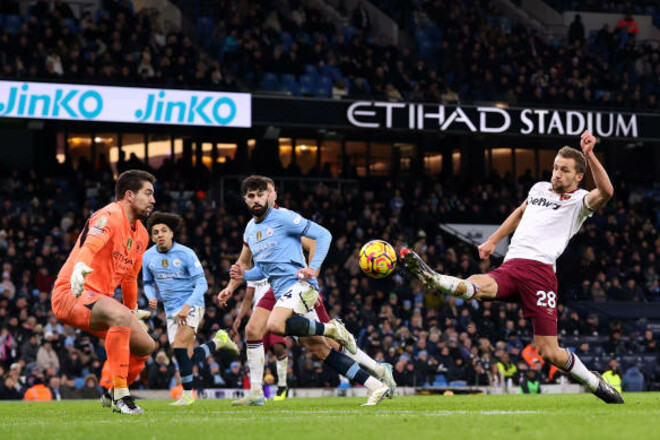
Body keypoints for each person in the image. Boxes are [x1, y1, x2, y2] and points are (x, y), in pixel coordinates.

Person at [401, 131, 623, 404]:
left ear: (579, 176)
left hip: (540, 273)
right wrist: (493, 240)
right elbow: (520, 211)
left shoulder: (580, 202)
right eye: (555, 167)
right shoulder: (539, 188)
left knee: (549, 352)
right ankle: (434, 280)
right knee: (476, 285)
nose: (557, 174)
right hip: (512, 265)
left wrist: (589, 155)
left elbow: (608, 192)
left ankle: (594, 382)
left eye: (564, 170)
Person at [219, 175, 391, 406]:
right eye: (251, 196)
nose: (257, 199)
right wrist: (243, 276)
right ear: (245, 200)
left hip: (300, 286)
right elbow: (261, 271)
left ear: (269, 195)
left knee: (274, 325)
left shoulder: (284, 217)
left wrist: (313, 268)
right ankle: (376, 385)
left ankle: (331, 330)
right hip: (282, 293)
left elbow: (323, 235)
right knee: (319, 349)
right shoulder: (250, 230)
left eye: (261, 194)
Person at [50, 170, 158, 414]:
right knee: (119, 316)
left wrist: (132, 310)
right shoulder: (109, 215)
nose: (153, 200)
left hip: (99, 302)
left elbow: (130, 277)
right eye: (148, 193)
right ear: (129, 195)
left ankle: (110, 394)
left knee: (146, 346)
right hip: (71, 293)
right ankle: (122, 396)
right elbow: (91, 245)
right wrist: (80, 266)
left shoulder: (141, 233)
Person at [143, 211, 239, 406]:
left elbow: (202, 284)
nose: (160, 235)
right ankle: (218, 341)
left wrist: (187, 306)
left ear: (171, 233)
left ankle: (188, 395)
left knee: (179, 347)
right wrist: (151, 296)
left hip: (192, 305)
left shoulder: (186, 253)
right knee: (185, 356)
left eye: (164, 231)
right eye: (155, 232)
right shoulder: (147, 257)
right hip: (170, 311)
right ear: (151, 236)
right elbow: (146, 282)